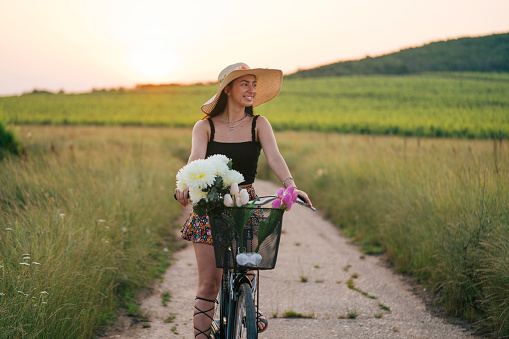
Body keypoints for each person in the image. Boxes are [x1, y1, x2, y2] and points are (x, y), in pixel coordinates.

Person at [174, 62, 313, 338]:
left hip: (244, 201)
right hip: (210, 205)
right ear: (227, 89)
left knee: (247, 266)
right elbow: (195, 158)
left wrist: (291, 186)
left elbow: (275, 157)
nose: (251, 90)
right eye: (244, 84)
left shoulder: (258, 124)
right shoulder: (204, 127)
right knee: (208, 285)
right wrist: (186, 184)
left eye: (254, 84)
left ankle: (247, 303)